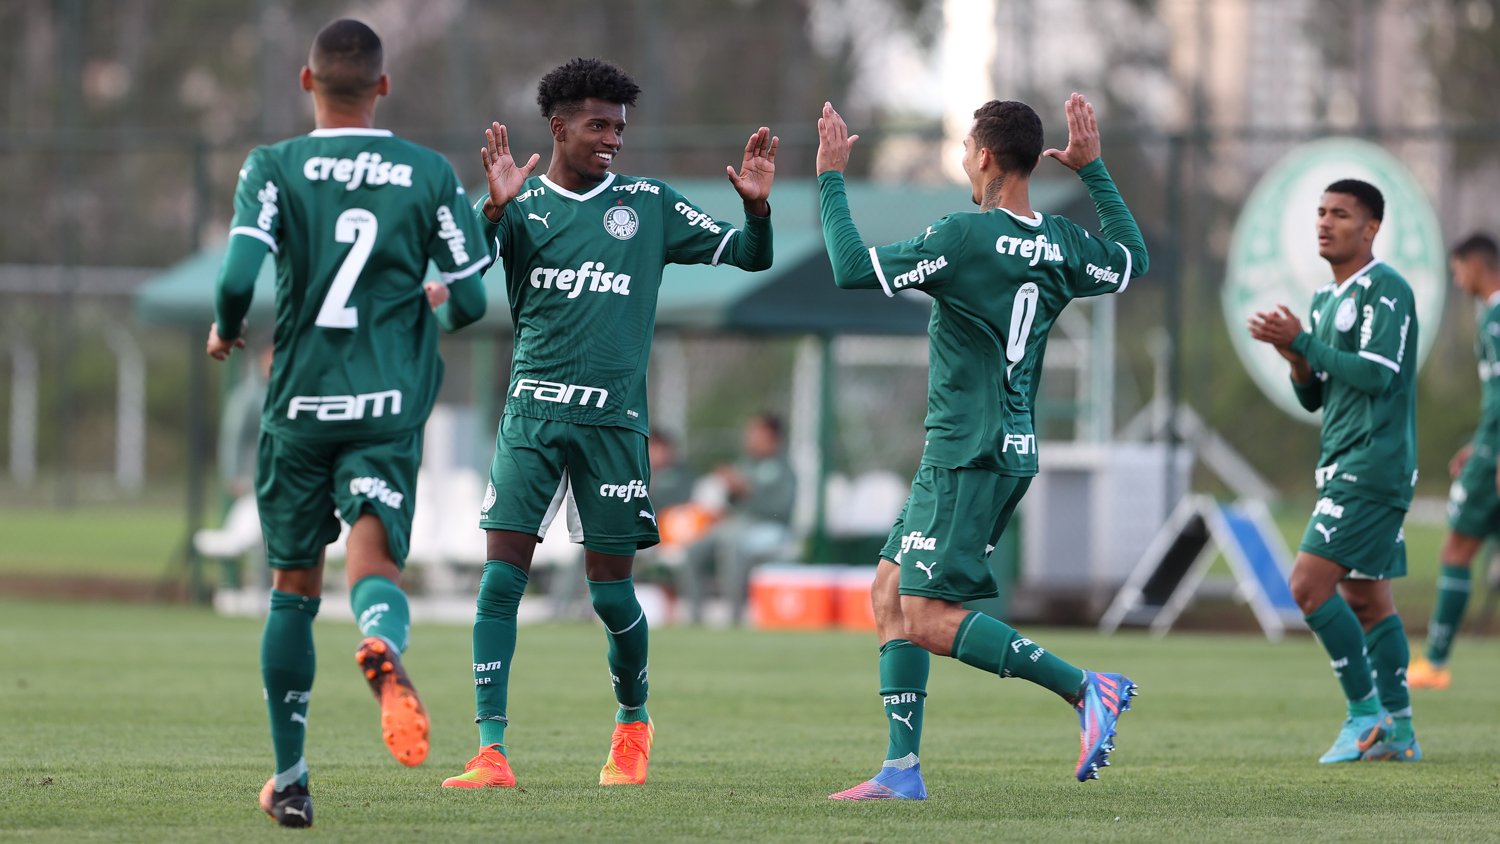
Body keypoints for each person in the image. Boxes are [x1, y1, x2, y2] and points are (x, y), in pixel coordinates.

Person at [441, 57, 776, 790]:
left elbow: (753, 258)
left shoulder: (647, 204)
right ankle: (490, 751)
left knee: (612, 594)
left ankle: (632, 723)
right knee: (500, 584)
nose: (613, 139)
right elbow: (457, 279)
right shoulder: (518, 204)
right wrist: (491, 211)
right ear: (558, 126)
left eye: (619, 128)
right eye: (598, 126)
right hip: (531, 417)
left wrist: (756, 209)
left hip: (613, 427)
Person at [815, 94, 1145, 801]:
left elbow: (849, 267)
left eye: (966, 148)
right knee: (889, 591)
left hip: (970, 452)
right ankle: (901, 770)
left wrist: (831, 176)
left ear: (986, 155)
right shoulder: (1063, 241)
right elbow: (1131, 259)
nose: (964, 159)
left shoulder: (964, 235)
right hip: (992, 447)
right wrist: (1093, 171)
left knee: (926, 616)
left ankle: (1087, 688)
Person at [207, 18, 491, 827]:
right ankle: (379, 641)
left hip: (299, 403)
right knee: (374, 564)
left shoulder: (273, 165)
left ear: (307, 82)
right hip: (384, 406)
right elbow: (472, 300)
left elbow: (237, 275)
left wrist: (228, 328)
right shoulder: (427, 173)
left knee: (292, 591)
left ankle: (291, 781)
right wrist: (431, 309)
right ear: (382, 86)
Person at [1248, 179, 1421, 763]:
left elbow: (1375, 373)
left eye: (1341, 214)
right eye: (1321, 212)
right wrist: (1297, 358)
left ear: (1371, 228)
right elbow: (1315, 398)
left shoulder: (1386, 288)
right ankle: (1399, 730)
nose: (1325, 222)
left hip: (1373, 464)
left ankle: (1365, 714)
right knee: (1367, 599)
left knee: (1306, 585)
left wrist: (1304, 340)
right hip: (1343, 460)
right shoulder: (1325, 299)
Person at [1409, 233, 1500, 689]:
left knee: (1457, 549)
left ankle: (1436, 662)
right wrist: (1479, 441)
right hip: (1489, 445)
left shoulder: (1497, 317)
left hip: (1495, 454)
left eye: (1457, 270)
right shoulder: (1489, 315)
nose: (1457, 280)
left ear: (1475, 266)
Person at [678, 412, 797, 625]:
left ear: (771, 436)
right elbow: (734, 503)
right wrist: (730, 496)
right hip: (736, 524)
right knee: (693, 549)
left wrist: (747, 491)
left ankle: (734, 616)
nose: (750, 437)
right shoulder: (746, 463)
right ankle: (694, 616)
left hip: (769, 527)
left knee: (732, 545)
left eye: (756, 433)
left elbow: (781, 510)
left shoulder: (784, 468)